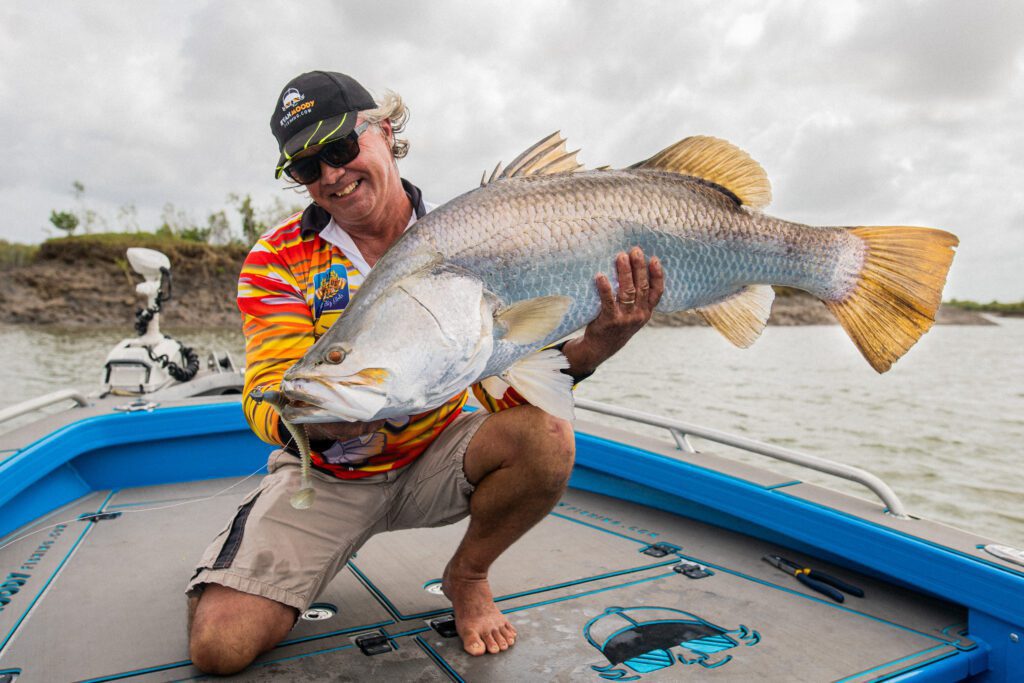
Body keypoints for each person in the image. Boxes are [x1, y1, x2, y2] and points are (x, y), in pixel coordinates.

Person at [185, 70, 665, 675]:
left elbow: (513, 388)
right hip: (327, 478)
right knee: (219, 648)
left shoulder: (476, 235)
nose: (331, 174)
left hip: (437, 454)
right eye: (307, 166)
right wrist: (320, 424)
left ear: (386, 132)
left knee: (546, 436)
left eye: (340, 147)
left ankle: (469, 574)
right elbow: (269, 395)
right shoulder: (277, 260)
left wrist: (597, 344)